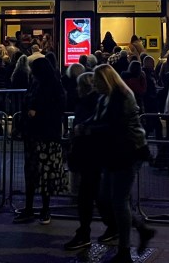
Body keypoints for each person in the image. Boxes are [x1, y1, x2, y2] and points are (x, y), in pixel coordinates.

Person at [72, 64, 155, 263]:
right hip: (114, 152)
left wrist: (88, 129)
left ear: (106, 80)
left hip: (127, 152)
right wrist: (85, 125)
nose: (95, 85)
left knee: (118, 199)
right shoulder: (105, 98)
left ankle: (125, 249)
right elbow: (99, 119)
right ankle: (141, 229)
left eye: (98, 82)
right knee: (109, 197)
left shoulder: (121, 97)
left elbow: (114, 125)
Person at [14, 56, 67, 225]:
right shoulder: (41, 84)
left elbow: (56, 109)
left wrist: (36, 114)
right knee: (34, 173)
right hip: (36, 134)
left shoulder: (50, 87)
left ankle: (43, 208)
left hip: (45, 136)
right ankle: (32, 208)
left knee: (44, 174)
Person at [63, 71, 109, 251]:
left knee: (88, 194)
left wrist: (84, 130)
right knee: (95, 193)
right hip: (92, 154)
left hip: (90, 153)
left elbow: (99, 125)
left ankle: (85, 232)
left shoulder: (91, 102)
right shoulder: (97, 101)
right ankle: (110, 225)